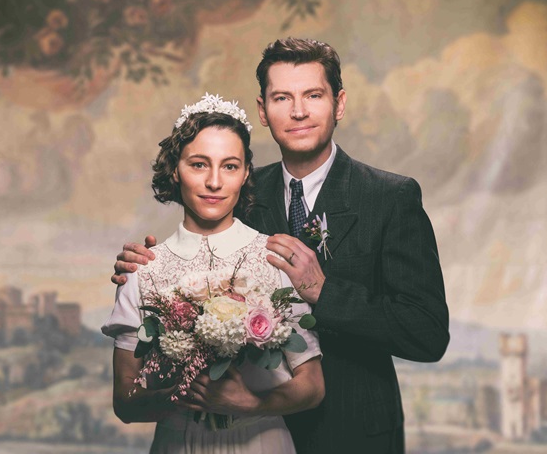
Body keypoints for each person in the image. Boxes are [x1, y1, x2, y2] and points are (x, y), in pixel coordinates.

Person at [113, 39, 450, 453]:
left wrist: (325, 292)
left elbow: (427, 334)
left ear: (339, 103)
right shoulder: (237, 187)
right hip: (251, 430)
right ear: (263, 110)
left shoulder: (389, 197)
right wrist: (144, 268)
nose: (298, 111)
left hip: (355, 432)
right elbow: (195, 256)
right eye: (282, 98)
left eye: (313, 95)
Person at [101, 93, 324, 454]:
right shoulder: (143, 269)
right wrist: (185, 394)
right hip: (178, 443)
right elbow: (125, 402)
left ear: (246, 173)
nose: (215, 182)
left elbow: (312, 387)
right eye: (199, 165)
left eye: (230, 166)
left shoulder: (274, 260)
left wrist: (250, 403)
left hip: (261, 441)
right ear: (176, 170)